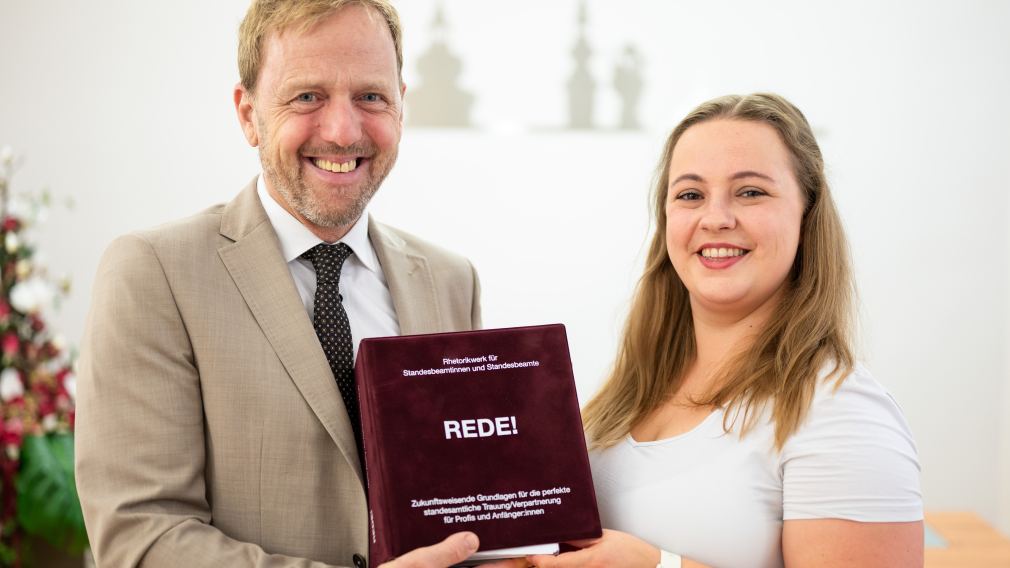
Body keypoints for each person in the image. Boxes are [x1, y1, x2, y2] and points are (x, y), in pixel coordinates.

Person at [74, 1, 520, 567]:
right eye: (307, 96)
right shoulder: (155, 273)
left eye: (371, 97)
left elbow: (468, 503)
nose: (342, 130)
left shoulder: (451, 280)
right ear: (248, 114)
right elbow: (143, 537)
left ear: (401, 107)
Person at [529, 94, 923, 568]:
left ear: (807, 213)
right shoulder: (627, 396)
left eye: (751, 192)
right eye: (690, 195)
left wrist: (659, 566)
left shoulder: (844, 414)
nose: (715, 218)